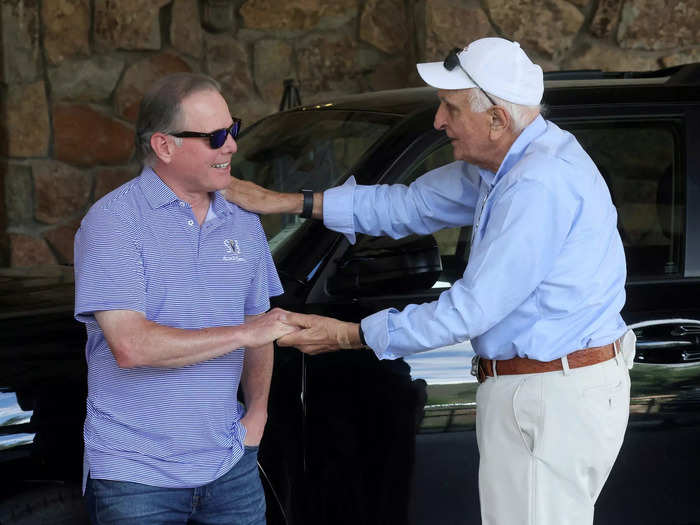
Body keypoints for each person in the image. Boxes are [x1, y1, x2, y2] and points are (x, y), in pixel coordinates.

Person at [225, 37, 636, 525]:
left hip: (549, 396)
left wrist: (349, 335)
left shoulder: (536, 184)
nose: (439, 121)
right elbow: (410, 205)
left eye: (450, 107)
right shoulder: (509, 165)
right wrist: (288, 203)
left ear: (496, 120)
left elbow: (470, 308)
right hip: (542, 391)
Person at [73, 73, 298, 524]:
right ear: (164, 146)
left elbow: (261, 329)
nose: (231, 146)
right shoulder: (113, 222)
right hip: (135, 477)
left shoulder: (242, 222)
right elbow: (132, 347)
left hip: (230, 467)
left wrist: (256, 419)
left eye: (232, 128)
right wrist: (245, 332)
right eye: (215, 137)